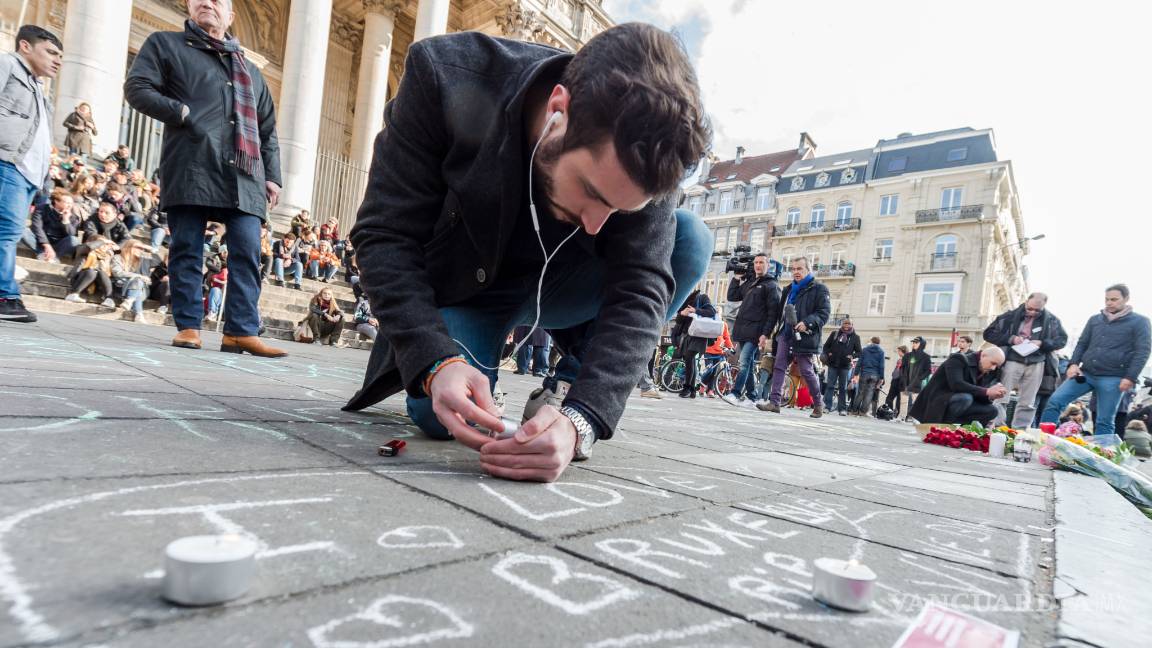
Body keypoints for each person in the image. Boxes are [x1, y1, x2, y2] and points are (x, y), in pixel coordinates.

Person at [342, 23, 711, 482]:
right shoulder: (445, 74)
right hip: (469, 286)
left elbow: (642, 288)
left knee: (691, 239)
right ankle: (464, 360)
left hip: (567, 287)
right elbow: (384, 234)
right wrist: (435, 361)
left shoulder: (654, 153)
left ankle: (568, 384)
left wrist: (582, 420)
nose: (597, 224)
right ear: (559, 109)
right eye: (591, 191)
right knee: (442, 416)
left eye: (619, 210)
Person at [125, 0, 285, 357]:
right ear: (189, 6)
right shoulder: (165, 44)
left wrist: (272, 177)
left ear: (230, 15)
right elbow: (137, 88)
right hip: (192, 163)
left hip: (244, 174)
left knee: (246, 251)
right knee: (187, 248)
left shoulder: (250, 70)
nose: (207, 2)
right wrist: (180, 111)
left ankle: (241, 331)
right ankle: (188, 326)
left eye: (218, 0)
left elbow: (267, 130)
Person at [0, 24, 62, 323]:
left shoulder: (39, 89)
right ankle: (5, 295)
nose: (57, 60)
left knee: (8, 233)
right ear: (26, 46)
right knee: (6, 233)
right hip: (6, 163)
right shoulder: (7, 64)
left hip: (26, 175)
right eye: (51, 52)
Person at [1041, 284, 1152, 438]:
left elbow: (1143, 351)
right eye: (1107, 299)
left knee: (1104, 420)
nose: (1109, 303)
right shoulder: (1095, 320)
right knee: (1055, 401)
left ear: (1126, 299)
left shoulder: (1140, 321)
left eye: (1114, 299)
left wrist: (1130, 377)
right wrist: (1073, 364)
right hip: (1086, 373)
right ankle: (1046, 439)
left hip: (1114, 377)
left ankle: (1102, 453)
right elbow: (1082, 343)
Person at [758, 257, 831, 417]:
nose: (796, 272)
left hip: (805, 336)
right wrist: (770, 332)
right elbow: (779, 313)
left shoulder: (819, 289)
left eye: (800, 269)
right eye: (794, 269)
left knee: (806, 370)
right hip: (785, 333)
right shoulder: (788, 289)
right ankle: (774, 402)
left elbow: (823, 313)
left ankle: (818, 404)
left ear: (808, 270)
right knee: (779, 366)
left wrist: (807, 322)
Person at [983, 292, 1068, 429]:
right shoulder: (1009, 316)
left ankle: (1020, 431)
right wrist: (1012, 339)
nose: (1033, 312)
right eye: (1030, 309)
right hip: (1012, 359)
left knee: (1028, 401)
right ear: (1026, 301)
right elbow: (988, 333)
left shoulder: (1052, 320)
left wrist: (1042, 343)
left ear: (1044, 306)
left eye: (1037, 310)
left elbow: (1062, 340)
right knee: (1001, 396)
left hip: (1037, 361)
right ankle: (996, 426)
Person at [721, 253, 780, 405]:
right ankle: (753, 397)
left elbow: (773, 313)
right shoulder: (751, 282)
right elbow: (732, 296)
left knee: (744, 361)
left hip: (756, 331)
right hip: (743, 330)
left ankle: (735, 393)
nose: (758, 265)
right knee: (747, 362)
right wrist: (736, 278)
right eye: (756, 263)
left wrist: (765, 334)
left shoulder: (771, 285)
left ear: (768, 265)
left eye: (761, 262)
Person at [908, 347, 1007, 425]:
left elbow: (978, 395)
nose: (993, 368)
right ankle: (941, 428)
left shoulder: (986, 371)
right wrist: (987, 391)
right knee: (965, 398)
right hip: (937, 403)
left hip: (958, 404)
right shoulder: (958, 359)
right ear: (983, 355)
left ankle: (967, 433)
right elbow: (956, 384)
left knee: (992, 410)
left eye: (996, 366)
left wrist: (991, 396)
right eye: (993, 363)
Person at [671, 290, 716, 399]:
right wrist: (682, 314)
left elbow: (711, 312)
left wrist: (695, 310)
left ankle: (687, 388)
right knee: (689, 359)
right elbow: (679, 321)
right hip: (687, 334)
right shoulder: (683, 301)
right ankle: (692, 390)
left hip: (699, 335)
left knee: (689, 356)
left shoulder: (702, 297)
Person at [27, 187, 80, 261]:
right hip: (40, 241)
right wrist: (46, 245)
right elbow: (37, 227)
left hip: (58, 244)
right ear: (56, 201)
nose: (70, 205)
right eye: (67, 203)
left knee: (74, 240)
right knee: (23, 231)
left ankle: (53, 257)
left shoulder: (73, 216)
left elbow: (71, 234)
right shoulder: (42, 209)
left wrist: (66, 220)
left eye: (71, 203)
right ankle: (44, 253)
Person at [821, 318, 862, 415]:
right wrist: (829, 353)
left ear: (852, 325)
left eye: (849, 324)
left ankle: (842, 409)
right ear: (842, 324)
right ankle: (827, 406)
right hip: (832, 364)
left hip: (845, 366)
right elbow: (826, 346)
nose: (846, 325)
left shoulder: (855, 337)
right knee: (830, 386)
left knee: (843, 388)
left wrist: (852, 356)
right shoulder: (834, 334)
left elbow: (860, 352)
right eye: (845, 323)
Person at [64, 236, 116, 307]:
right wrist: (103, 241)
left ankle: (109, 299)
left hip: (98, 284)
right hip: (80, 279)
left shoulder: (108, 256)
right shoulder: (83, 250)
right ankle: (74, 294)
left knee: (101, 272)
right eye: (101, 243)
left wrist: (112, 246)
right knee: (92, 271)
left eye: (106, 244)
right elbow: (88, 247)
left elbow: (119, 251)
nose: (104, 245)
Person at [111, 240, 151, 320]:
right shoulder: (117, 257)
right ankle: (138, 314)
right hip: (121, 286)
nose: (141, 250)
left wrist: (149, 250)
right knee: (138, 281)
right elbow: (117, 273)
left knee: (138, 282)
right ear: (129, 247)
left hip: (141, 289)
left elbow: (157, 261)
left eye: (142, 248)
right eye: (138, 247)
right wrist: (138, 276)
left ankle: (129, 300)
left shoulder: (142, 261)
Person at [851, 336, 886, 416]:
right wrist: (881, 377)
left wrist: (856, 374)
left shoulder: (865, 350)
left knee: (860, 393)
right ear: (879, 342)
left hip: (864, 373)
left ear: (871, 341)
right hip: (875, 375)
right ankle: (863, 412)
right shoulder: (881, 352)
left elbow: (859, 363)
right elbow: (882, 366)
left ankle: (855, 410)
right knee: (869, 394)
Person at [700, 320, 735, 397]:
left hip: (719, 351)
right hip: (708, 350)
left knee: (714, 373)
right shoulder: (709, 322)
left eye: (719, 312)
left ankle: (710, 391)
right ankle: (702, 386)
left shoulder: (724, 324)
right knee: (710, 370)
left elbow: (726, 337)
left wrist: (731, 347)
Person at [901, 336, 933, 419]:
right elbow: (902, 367)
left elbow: (928, 370)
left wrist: (920, 378)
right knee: (904, 401)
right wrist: (903, 377)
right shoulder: (907, 355)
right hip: (906, 381)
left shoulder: (926, 357)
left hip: (916, 383)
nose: (914, 344)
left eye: (916, 342)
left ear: (922, 344)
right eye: (913, 342)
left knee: (916, 401)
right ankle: (901, 417)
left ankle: (915, 418)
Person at [883, 345, 908, 418]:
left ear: (902, 351)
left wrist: (893, 375)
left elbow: (898, 372)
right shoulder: (903, 359)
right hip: (900, 382)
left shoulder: (903, 360)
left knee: (891, 398)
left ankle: (890, 413)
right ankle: (894, 414)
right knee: (896, 399)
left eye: (899, 351)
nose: (898, 352)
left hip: (898, 381)